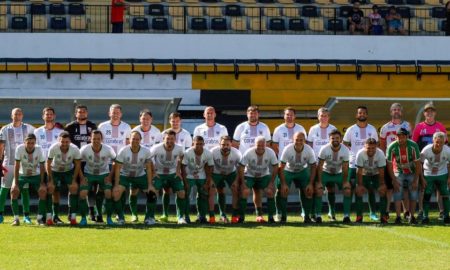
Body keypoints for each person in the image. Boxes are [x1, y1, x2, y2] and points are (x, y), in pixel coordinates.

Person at [412, 102, 447, 221]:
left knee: (440, 188)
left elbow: (445, 146)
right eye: (427, 111)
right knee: (423, 188)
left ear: (435, 113)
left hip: (439, 164)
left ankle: (442, 212)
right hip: (424, 163)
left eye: (432, 111)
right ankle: (422, 211)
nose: (430, 113)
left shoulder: (441, 127)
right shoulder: (419, 127)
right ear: (424, 113)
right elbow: (414, 145)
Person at [193, 106, 228, 223]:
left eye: (211, 113)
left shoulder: (222, 128)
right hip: (203, 163)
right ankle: (202, 215)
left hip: (218, 163)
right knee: (203, 189)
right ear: (204, 115)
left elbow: (226, 145)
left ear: (215, 115)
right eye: (207, 113)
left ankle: (222, 214)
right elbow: (196, 146)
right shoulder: (198, 129)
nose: (209, 115)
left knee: (220, 189)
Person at [0, 108, 35, 224]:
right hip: (8, 163)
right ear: (11, 116)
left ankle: (26, 216)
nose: (17, 116)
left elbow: (36, 143)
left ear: (22, 115)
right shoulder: (5, 129)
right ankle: (1, 214)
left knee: (24, 189)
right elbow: (1, 147)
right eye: (15, 114)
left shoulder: (29, 128)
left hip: (24, 164)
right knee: (5, 188)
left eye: (19, 114)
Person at [343, 106, 379, 221]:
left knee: (371, 189)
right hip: (353, 164)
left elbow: (376, 145)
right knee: (354, 189)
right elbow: (345, 144)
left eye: (364, 113)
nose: (362, 114)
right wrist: (352, 153)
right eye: (360, 113)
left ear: (367, 115)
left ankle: (372, 213)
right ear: (356, 115)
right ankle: (356, 214)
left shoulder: (372, 129)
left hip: (369, 165)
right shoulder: (351, 129)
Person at [112, 131, 155, 225]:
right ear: (129, 140)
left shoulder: (146, 151)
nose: (135, 141)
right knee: (116, 193)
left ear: (140, 140)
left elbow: (148, 168)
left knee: (152, 193)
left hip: (140, 175)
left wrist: (150, 185)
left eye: (137, 139)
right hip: (125, 176)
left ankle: (148, 218)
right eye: (133, 139)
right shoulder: (123, 151)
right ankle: (120, 218)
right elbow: (118, 168)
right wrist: (116, 185)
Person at [98, 104, 132, 220]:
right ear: (109, 113)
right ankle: (102, 210)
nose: (115, 114)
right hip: (105, 162)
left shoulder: (127, 127)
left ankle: (119, 212)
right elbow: (99, 143)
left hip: (121, 162)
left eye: (117, 112)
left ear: (121, 114)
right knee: (104, 186)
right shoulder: (102, 126)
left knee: (120, 186)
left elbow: (128, 145)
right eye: (113, 112)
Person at [65, 105, 98, 223]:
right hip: (74, 162)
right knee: (73, 187)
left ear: (87, 113)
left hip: (89, 162)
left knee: (90, 188)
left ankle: (91, 212)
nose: (82, 113)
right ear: (76, 114)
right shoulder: (69, 127)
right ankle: (71, 212)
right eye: (80, 112)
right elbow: (64, 142)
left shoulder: (92, 126)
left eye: (84, 112)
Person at [10, 134, 52, 226]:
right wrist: (16, 183)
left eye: (32, 143)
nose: (30, 145)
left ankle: (40, 218)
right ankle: (16, 219)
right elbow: (16, 166)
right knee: (14, 191)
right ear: (24, 142)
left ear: (35, 143)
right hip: (22, 175)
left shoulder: (39, 149)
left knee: (43, 190)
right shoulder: (19, 149)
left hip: (35, 175)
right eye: (28, 143)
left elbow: (42, 166)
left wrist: (42, 183)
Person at [379, 103, 411, 219]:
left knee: (404, 187)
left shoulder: (407, 126)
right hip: (390, 161)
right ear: (390, 112)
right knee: (389, 188)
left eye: (398, 109)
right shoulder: (385, 127)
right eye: (394, 110)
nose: (396, 111)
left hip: (403, 161)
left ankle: (406, 212)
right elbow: (382, 146)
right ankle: (387, 211)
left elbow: (410, 143)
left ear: (401, 112)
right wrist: (385, 160)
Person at [277, 132, 316, 223]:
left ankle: (306, 216)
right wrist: (283, 184)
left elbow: (313, 166)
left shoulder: (309, 150)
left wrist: (310, 183)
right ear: (292, 140)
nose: (298, 142)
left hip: (302, 171)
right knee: (282, 191)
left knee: (308, 191)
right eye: (296, 140)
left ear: (304, 141)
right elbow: (281, 167)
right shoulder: (287, 149)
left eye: (301, 140)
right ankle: (281, 215)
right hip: (288, 171)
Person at [80, 130, 116, 225]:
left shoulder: (108, 149)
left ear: (102, 139)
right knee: (83, 193)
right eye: (94, 139)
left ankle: (108, 218)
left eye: (98, 139)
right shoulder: (84, 149)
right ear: (90, 139)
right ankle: (83, 218)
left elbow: (115, 161)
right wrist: (82, 176)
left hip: (104, 174)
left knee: (108, 192)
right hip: (89, 174)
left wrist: (110, 175)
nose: (96, 141)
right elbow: (77, 162)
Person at [239, 136, 278, 223]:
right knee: (245, 191)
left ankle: (271, 217)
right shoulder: (248, 152)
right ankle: (241, 217)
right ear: (254, 145)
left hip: (264, 175)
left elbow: (275, 166)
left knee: (270, 191)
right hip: (250, 175)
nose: (260, 147)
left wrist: (271, 182)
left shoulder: (270, 152)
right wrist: (242, 183)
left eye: (262, 145)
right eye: (258, 145)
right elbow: (241, 167)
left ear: (265, 145)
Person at [150, 130, 187, 224]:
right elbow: (148, 158)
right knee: (152, 192)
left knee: (182, 193)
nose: (169, 141)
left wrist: (178, 170)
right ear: (163, 139)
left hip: (173, 174)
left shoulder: (179, 148)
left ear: (175, 139)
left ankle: (180, 218)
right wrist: (153, 172)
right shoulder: (156, 148)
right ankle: (150, 217)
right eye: (167, 138)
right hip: (159, 174)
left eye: (172, 139)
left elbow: (181, 157)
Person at [315, 129, 351, 223]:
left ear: (341, 139)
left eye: (337, 138)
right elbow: (320, 166)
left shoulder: (345, 150)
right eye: (333, 138)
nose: (335, 140)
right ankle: (318, 215)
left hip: (339, 173)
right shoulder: (324, 149)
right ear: (329, 139)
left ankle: (346, 216)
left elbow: (345, 167)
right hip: (325, 173)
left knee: (347, 189)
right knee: (319, 190)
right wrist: (319, 182)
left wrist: (345, 181)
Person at [34, 107, 64, 224]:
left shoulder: (59, 133)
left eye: (51, 114)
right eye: (47, 114)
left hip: (55, 167)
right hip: (41, 167)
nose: (49, 116)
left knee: (55, 191)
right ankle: (41, 216)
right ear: (43, 116)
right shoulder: (37, 132)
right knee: (43, 191)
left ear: (54, 116)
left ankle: (55, 216)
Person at [161, 112, 192, 222]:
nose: (175, 123)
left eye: (177, 121)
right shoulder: (164, 133)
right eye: (173, 121)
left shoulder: (186, 134)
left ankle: (183, 215)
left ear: (181, 121)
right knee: (166, 190)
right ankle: (165, 214)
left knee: (182, 190)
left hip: (182, 167)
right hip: (166, 167)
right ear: (170, 121)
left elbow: (188, 152)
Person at [386, 128, 421, 224]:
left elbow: (418, 164)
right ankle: (398, 217)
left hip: (412, 171)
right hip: (398, 170)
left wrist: (415, 180)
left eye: (403, 137)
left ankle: (412, 216)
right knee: (397, 192)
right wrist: (394, 179)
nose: (401, 139)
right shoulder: (392, 146)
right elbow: (389, 164)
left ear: (407, 137)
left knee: (413, 193)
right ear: (396, 137)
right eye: (399, 137)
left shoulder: (413, 145)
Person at [47, 132, 82, 225]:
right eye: (62, 142)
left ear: (70, 141)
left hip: (68, 171)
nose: (64, 144)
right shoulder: (53, 148)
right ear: (59, 141)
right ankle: (53, 216)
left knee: (74, 188)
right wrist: (50, 179)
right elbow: (48, 163)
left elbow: (78, 164)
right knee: (53, 190)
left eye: (67, 142)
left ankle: (72, 216)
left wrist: (74, 179)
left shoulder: (75, 149)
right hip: (55, 171)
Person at [181, 136, 214, 224]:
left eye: (200, 144)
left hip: (201, 174)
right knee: (186, 194)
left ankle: (202, 216)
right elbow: (183, 167)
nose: (199, 146)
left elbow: (210, 167)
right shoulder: (187, 153)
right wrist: (185, 181)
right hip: (189, 175)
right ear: (193, 144)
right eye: (197, 144)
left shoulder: (208, 153)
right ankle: (186, 216)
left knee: (203, 194)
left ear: (203, 144)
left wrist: (207, 182)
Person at [355, 138, 388, 224]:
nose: (370, 150)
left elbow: (381, 171)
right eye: (368, 148)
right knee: (358, 191)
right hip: (364, 175)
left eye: (373, 148)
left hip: (376, 174)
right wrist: (360, 185)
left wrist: (382, 184)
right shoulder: (360, 154)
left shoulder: (380, 154)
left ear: (376, 147)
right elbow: (359, 171)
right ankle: (359, 216)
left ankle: (383, 216)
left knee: (383, 190)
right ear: (364, 147)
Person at [420, 132, 450, 224]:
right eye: (437, 142)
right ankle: (425, 216)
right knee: (427, 194)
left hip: (442, 173)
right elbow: (419, 163)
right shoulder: (426, 150)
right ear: (433, 140)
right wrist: (422, 178)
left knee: (445, 194)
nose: (439, 144)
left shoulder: (448, 150)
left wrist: (449, 178)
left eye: (441, 142)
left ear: (444, 142)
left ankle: (446, 216)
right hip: (428, 174)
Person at [210, 136, 242, 223]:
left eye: (227, 144)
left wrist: (236, 181)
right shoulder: (212, 152)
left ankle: (234, 216)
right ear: (219, 144)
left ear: (231, 144)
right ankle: (212, 216)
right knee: (212, 189)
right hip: (216, 173)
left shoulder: (237, 153)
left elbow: (240, 168)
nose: (225, 147)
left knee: (236, 189)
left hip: (231, 173)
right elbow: (208, 166)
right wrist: (210, 179)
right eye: (223, 144)